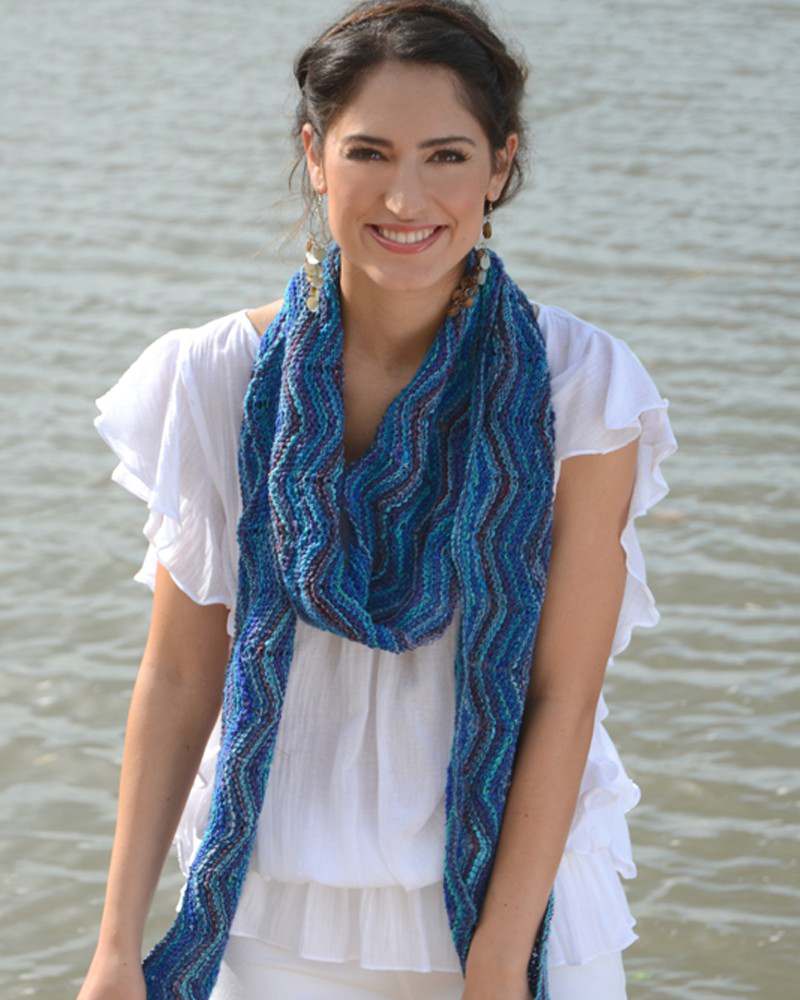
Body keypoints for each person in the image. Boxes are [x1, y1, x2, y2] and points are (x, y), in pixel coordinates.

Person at [79, 1, 678, 998]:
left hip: (518, 908)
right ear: (314, 155)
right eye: (369, 152)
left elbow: (561, 693)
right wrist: (113, 951)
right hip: (269, 902)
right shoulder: (216, 375)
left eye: (447, 156)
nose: (406, 197)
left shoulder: (579, 385)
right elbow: (180, 676)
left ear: (499, 167)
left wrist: (497, 961)